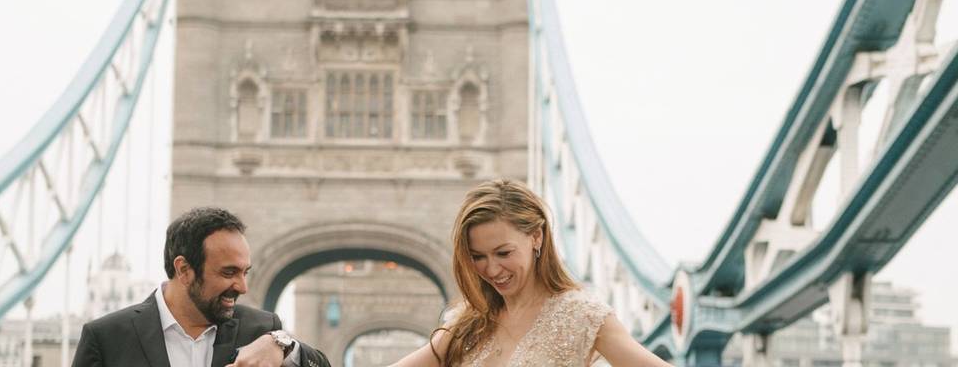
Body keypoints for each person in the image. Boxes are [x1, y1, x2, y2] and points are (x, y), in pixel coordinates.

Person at [388, 179, 675, 367]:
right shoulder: (467, 323)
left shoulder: (583, 316)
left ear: (536, 237)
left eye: (503, 253)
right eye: (478, 257)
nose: (491, 269)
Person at [72, 207, 330, 367]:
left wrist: (284, 346)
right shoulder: (107, 339)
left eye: (245, 272)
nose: (242, 287)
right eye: (229, 272)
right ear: (184, 269)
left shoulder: (262, 331)